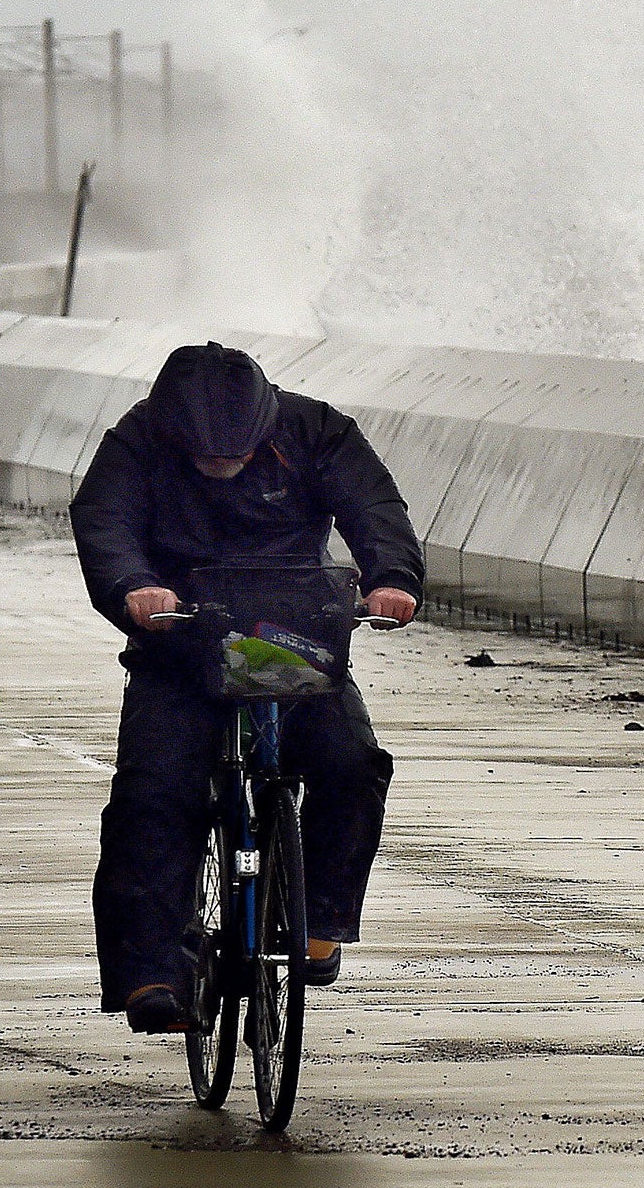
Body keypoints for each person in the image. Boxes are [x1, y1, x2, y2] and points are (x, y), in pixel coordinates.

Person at [70, 341, 425, 1034]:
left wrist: (392, 578)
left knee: (353, 765)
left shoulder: (316, 431)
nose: (222, 468)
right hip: (180, 642)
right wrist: (133, 587)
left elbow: (375, 509)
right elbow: (104, 522)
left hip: (292, 638)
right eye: (206, 459)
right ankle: (149, 970)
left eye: (234, 456)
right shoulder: (137, 441)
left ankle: (320, 918)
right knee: (153, 794)